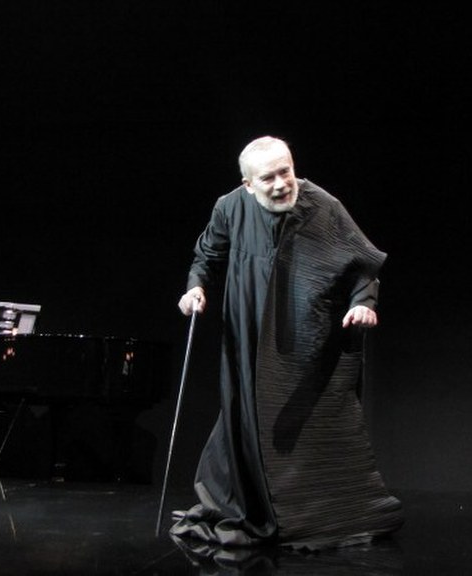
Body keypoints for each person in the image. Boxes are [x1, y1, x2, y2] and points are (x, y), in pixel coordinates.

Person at [170, 136, 403, 551]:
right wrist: (196, 288)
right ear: (247, 184)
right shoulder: (229, 207)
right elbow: (207, 256)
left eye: (286, 172)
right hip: (247, 330)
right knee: (248, 416)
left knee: (308, 426)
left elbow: (362, 266)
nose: (281, 184)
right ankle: (256, 507)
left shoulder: (322, 206)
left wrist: (363, 304)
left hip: (308, 338)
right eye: (268, 178)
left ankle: (313, 513)